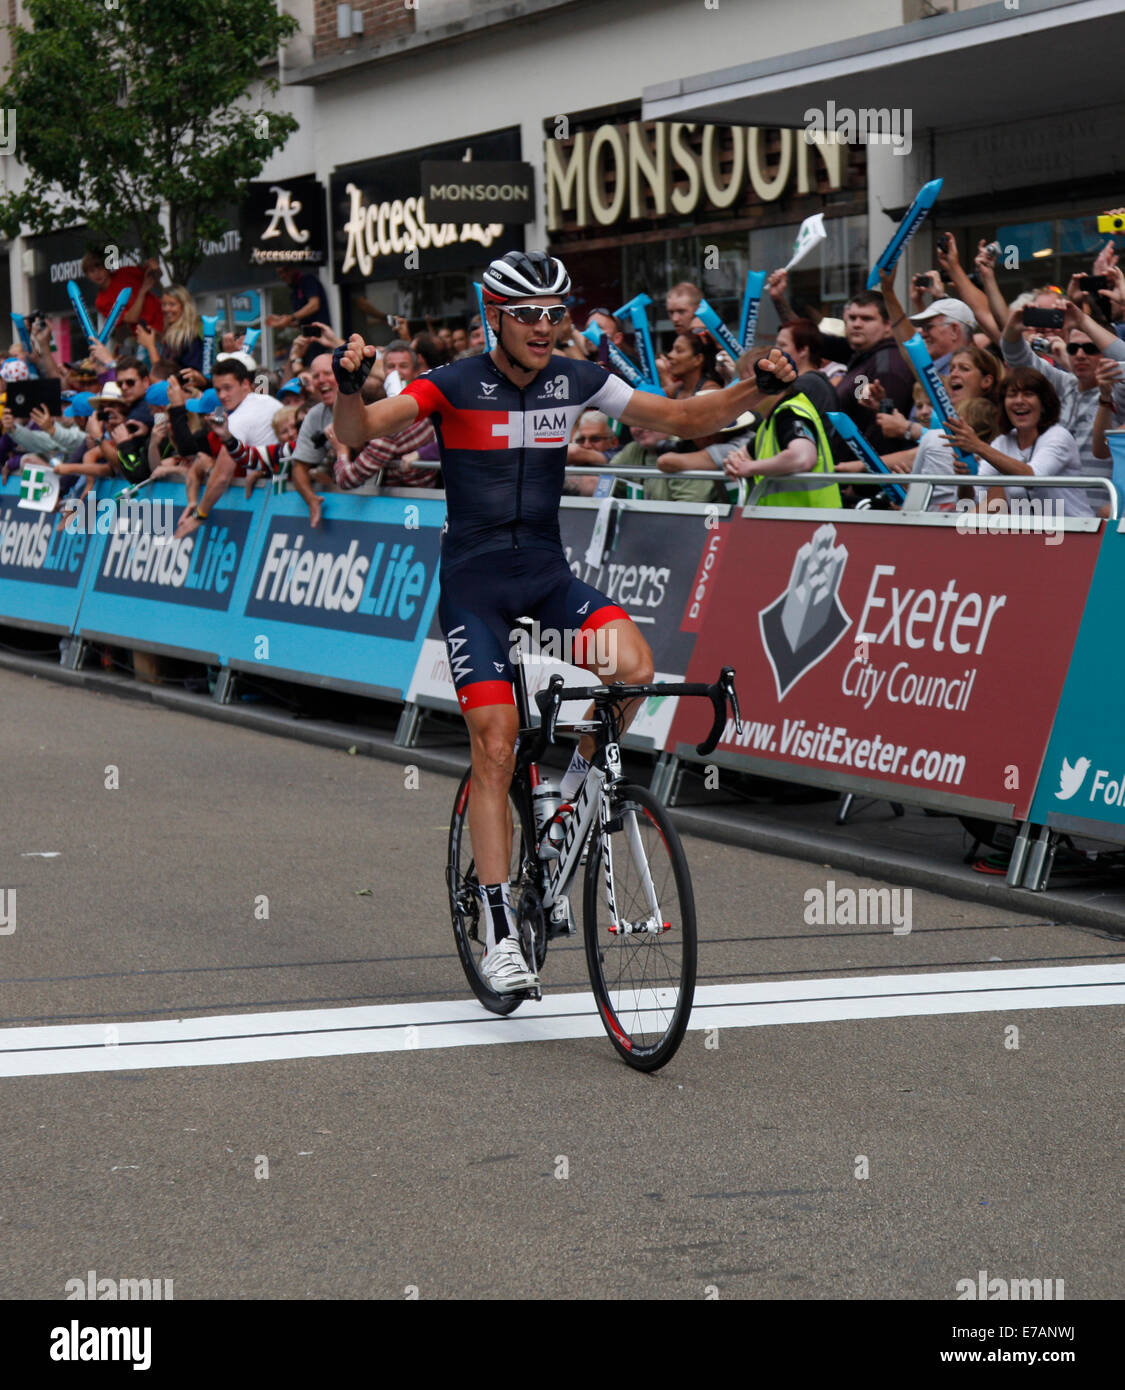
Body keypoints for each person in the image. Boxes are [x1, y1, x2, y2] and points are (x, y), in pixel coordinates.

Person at [332, 249, 795, 994]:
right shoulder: (450, 384)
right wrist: (348, 387)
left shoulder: (577, 379)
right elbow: (357, 432)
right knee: (495, 742)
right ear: (495, 316)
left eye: (558, 313)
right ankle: (498, 928)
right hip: (474, 587)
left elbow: (680, 416)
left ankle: (574, 788)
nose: (547, 328)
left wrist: (757, 391)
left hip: (546, 578)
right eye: (530, 316)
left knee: (635, 669)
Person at [943, 367, 1093, 518]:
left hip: (1077, 532)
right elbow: (972, 500)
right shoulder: (1002, 442)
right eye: (1012, 395)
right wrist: (965, 479)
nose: (1019, 401)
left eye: (1028, 394)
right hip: (1032, 535)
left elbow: (1034, 478)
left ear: (1044, 403)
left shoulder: (1058, 436)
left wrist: (979, 446)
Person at [267, 265, 333, 362]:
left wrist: (290, 318)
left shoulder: (307, 280)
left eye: (285, 271)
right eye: (280, 273)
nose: (283, 275)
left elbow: (314, 304)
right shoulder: (294, 293)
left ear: (293, 269)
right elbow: (298, 321)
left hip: (321, 336)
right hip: (307, 339)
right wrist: (283, 321)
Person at [135, 286, 204, 374]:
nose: (166, 309)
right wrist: (155, 338)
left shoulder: (190, 339)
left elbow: (163, 376)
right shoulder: (169, 336)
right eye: (164, 304)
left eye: (172, 304)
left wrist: (150, 346)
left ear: (184, 307)